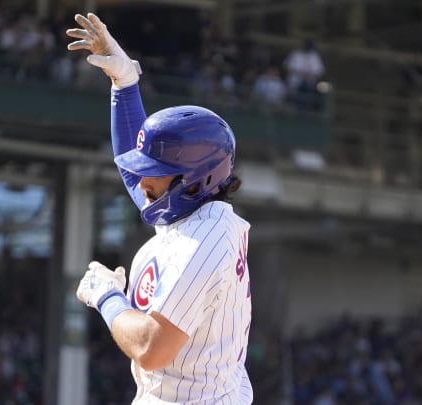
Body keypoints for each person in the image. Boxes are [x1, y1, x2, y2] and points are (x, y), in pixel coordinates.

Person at [66, 12, 253, 404]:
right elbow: (138, 176)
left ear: (197, 179)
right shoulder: (193, 214)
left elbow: (152, 348)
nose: (143, 181)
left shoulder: (205, 242)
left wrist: (107, 297)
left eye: (159, 173)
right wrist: (124, 83)